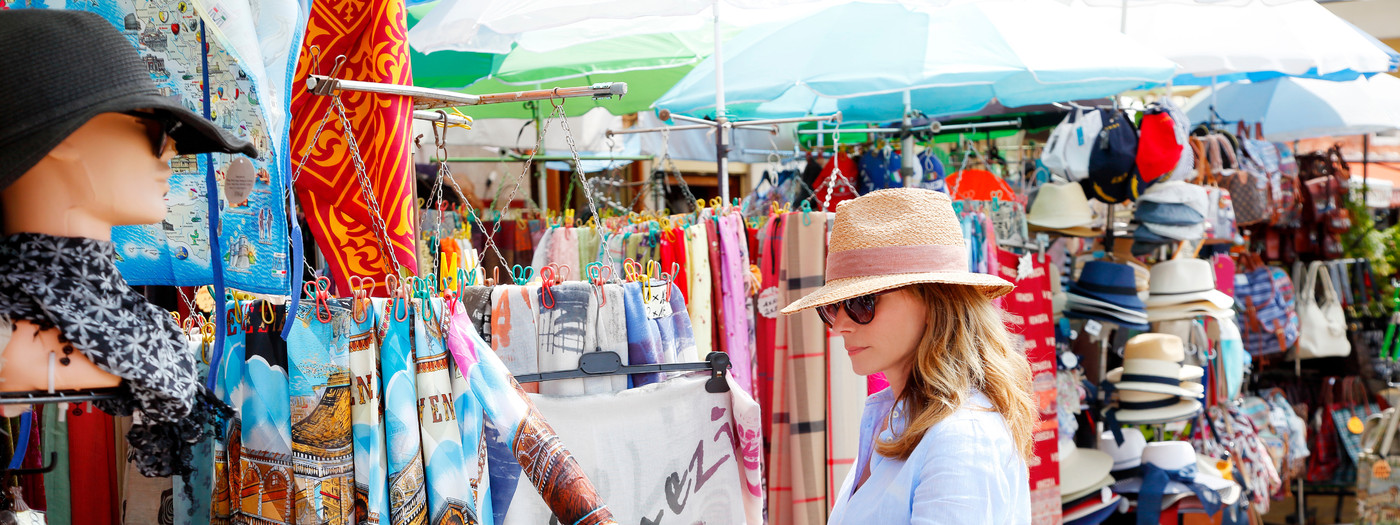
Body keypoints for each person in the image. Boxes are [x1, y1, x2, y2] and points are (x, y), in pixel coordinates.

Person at [781, 187, 1036, 524]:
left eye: (862, 303)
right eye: (831, 307)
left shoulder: (961, 438)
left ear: (932, 303)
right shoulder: (893, 418)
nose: (838, 325)